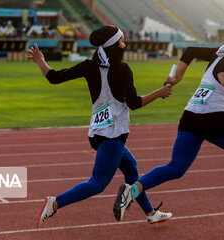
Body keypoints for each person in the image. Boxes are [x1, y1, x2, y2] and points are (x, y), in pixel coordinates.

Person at [114, 23, 224, 220]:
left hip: (191, 115)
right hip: (213, 117)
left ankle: (131, 191)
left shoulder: (223, 51)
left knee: (176, 167)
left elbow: (190, 51)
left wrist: (177, 77)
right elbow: (223, 73)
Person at [27, 26, 173, 227]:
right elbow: (134, 103)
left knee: (131, 168)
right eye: (121, 41)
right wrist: (159, 93)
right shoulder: (122, 69)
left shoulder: (89, 66)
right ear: (113, 45)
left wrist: (40, 61)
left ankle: (150, 213)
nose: (124, 44)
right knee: (97, 183)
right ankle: (55, 203)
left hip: (98, 132)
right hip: (113, 134)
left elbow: (55, 78)